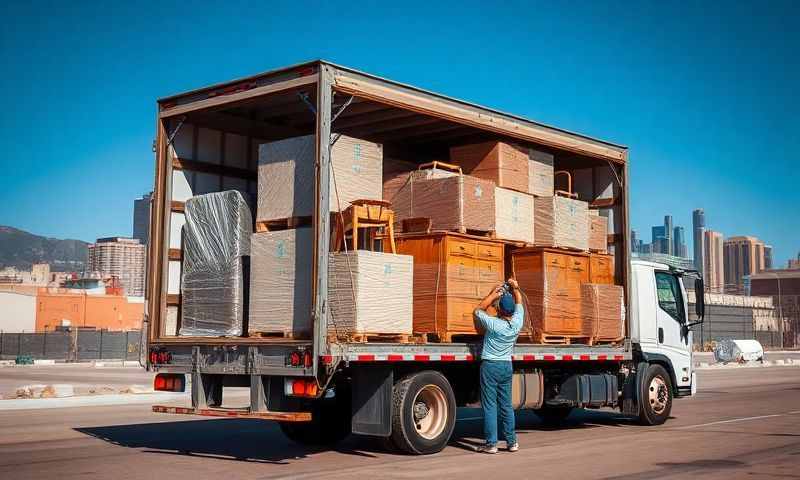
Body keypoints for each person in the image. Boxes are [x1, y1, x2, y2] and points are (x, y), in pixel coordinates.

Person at [473, 277, 524, 454]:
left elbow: (478, 310)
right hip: (506, 366)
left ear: (499, 309)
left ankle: (491, 444)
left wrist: (493, 294)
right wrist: (515, 288)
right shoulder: (517, 323)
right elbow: (519, 303)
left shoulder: (494, 324)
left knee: (490, 406)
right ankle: (512, 442)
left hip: (490, 366)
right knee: (506, 405)